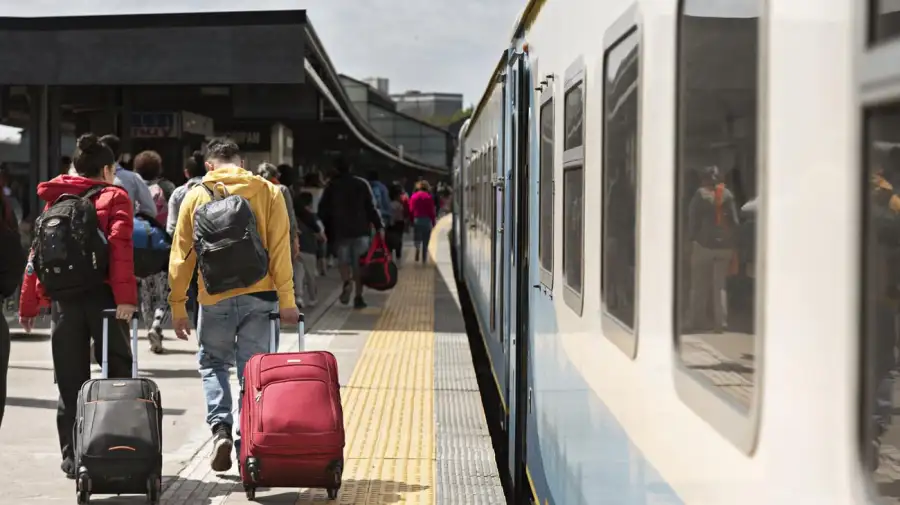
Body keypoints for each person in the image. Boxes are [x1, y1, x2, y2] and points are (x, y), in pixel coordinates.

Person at [168, 139, 299, 473]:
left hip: (214, 298)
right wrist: (287, 301)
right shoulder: (269, 192)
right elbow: (281, 250)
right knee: (254, 374)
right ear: (242, 162)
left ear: (210, 165)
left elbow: (181, 257)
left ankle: (221, 429)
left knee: (213, 363)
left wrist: (178, 305)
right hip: (261, 296)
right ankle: (248, 445)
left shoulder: (195, 195)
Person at [18, 133, 137, 479]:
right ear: (105, 169)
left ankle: (73, 458)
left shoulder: (55, 198)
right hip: (103, 300)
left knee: (70, 380)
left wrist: (29, 304)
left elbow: (36, 254)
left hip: (63, 301)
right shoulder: (115, 196)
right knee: (116, 374)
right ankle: (116, 448)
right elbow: (120, 248)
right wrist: (126, 299)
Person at [317, 157, 384, 309]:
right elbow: (371, 207)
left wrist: (324, 228)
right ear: (351, 167)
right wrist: (379, 226)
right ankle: (358, 297)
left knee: (343, 262)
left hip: (340, 231)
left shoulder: (332, 186)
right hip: (361, 230)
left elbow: (323, 210)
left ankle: (347, 282)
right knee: (359, 265)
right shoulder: (361, 184)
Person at [685, 165, 739, 333]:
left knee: (699, 285)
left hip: (704, 245)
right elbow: (735, 222)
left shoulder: (700, 195)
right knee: (719, 286)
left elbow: (692, 220)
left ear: (705, 178)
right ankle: (720, 323)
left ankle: (698, 321)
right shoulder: (728, 195)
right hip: (725, 247)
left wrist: (691, 239)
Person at [133, 150, 171, 354]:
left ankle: (150, 329)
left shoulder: (132, 186)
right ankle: (158, 323)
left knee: (146, 295)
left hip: (138, 249)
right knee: (164, 294)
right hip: (161, 248)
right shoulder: (166, 188)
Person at [167, 152, 206, 329]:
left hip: (187, 252)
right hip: (212, 250)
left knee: (191, 292)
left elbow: (171, 227)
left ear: (186, 172)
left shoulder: (178, 193)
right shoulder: (216, 189)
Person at [257, 162, 302, 306]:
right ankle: (282, 305)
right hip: (281, 239)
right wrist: (295, 239)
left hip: (260, 239)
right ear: (277, 175)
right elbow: (290, 217)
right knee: (282, 272)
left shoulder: (255, 189)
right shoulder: (282, 189)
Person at [99, 134, 158, 218]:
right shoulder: (132, 178)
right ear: (120, 156)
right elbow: (151, 210)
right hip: (126, 228)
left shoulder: (86, 178)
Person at [295, 192, 324, 306]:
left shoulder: (292, 215)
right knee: (310, 275)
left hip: (295, 248)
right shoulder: (311, 216)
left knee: (298, 274)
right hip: (309, 248)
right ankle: (312, 298)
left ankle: (298, 297)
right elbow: (320, 233)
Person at [409, 180, 437, 263]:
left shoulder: (413, 197)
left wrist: (411, 220)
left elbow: (411, 210)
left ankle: (417, 248)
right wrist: (433, 222)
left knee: (417, 237)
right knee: (426, 239)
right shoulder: (428, 197)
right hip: (426, 220)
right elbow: (431, 211)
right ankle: (424, 257)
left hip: (417, 219)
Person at [387, 184, 407, 260]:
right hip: (398, 224)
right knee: (398, 240)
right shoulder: (398, 205)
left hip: (391, 224)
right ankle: (398, 256)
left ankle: (390, 258)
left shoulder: (389, 204)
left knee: (390, 242)